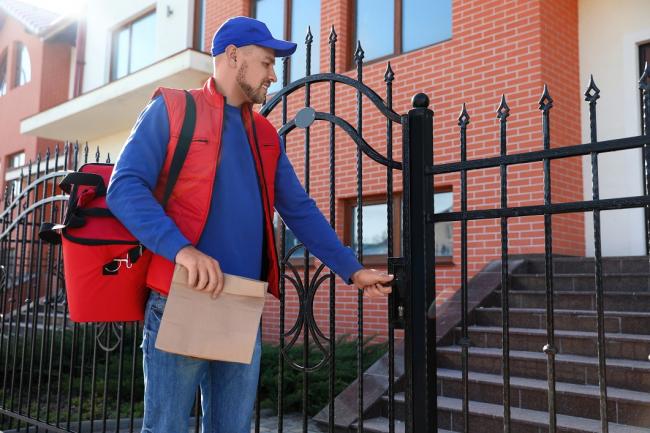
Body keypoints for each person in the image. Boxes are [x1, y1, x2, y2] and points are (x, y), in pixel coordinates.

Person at [106, 16, 393, 433]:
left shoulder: (265, 134)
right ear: (233, 56)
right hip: (178, 298)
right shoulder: (172, 108)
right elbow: (125, 187)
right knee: (165, 428)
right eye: (266, 63)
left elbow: (300, 210)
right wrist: (182, 249)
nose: (274, 75)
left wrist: (352, 269)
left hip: (240, 305)